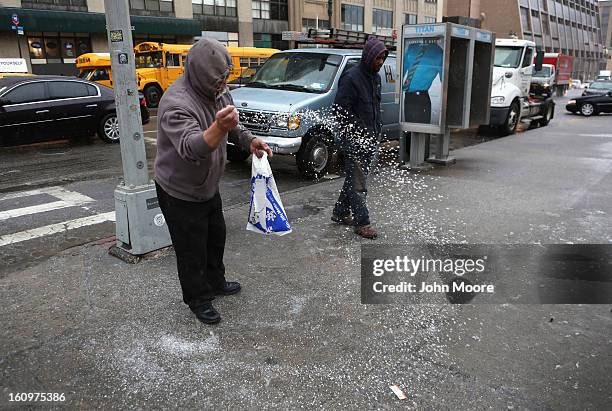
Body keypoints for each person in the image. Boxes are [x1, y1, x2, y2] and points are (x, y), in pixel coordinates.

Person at [154, 39, 272, 325]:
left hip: (207, 185)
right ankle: (198, 298)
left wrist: (250, 141)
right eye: (218, 82)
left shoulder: (217, 90)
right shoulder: (176, 103)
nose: (223, 87)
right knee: (191, 249)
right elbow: (192, 148)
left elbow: (235, 126)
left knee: (215, 237)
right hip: (179, 191)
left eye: (225, 80)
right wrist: (218, 126)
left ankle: (216, 282)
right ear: (201, 75)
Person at [332, 36, 388, 240]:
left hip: (370, 137)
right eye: (377, 58)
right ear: (368, 56)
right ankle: (362, 222)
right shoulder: (351, 78)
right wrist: (359, 130)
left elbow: (374, 109)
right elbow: (339, 110)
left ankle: (339, 212)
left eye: (383, 58)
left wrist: (376, 132)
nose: (380, 62)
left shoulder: (376, 78)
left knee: (354, 178)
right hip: (353, 139)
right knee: (359, 182)